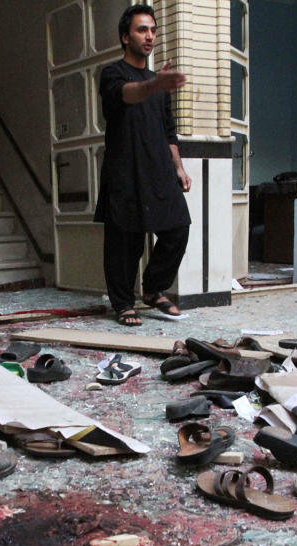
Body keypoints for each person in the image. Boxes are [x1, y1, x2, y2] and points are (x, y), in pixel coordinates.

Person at [94, 4, 192, 327]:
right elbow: (128, 94)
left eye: (152, 30)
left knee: (177, 227)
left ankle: (153, 288)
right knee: (125, 241)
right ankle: (123, 303)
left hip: (159, 168)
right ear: (125, 36)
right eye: (141, 29)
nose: (149, 36)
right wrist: (155, 85)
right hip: (125, 170)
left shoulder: (157, 83)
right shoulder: (113, 74)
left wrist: (178, 167)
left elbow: (168, 130)